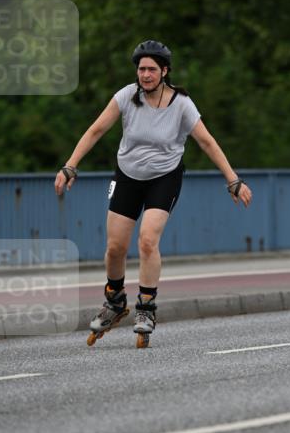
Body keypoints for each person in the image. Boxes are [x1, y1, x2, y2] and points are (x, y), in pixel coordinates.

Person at [54, 39, 252, 344]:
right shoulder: (125, 97)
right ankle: (115, 301)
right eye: (141, 69)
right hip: (128, 176)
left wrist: (233, 180)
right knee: (115, 247)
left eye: (151, 69)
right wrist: (70, 166)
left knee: (147, 241)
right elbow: (95, 130)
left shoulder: (182, 104)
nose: (145, 74)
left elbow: (207, 142)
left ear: (164, 71)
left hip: (165, 177)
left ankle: (146, 307)